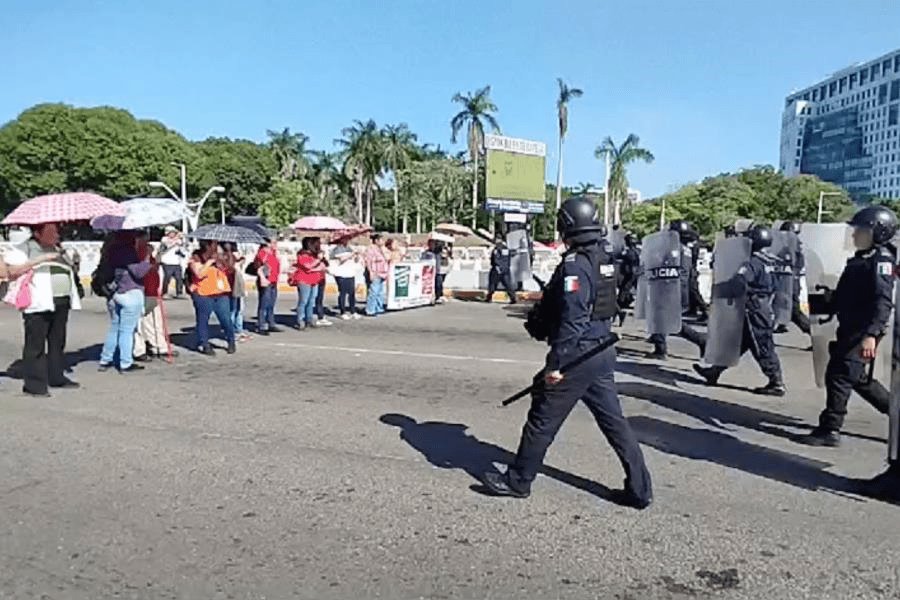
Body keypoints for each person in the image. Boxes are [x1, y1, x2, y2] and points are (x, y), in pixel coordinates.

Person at [482, 196, 653, 510]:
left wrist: (557, 365)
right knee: (614, 423)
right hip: (600, 350)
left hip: (578, 354)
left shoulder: (576, 264)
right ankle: (640, 489)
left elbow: (573, 321)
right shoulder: (603, 256)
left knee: (542, 419)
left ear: (568, 225)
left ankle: (518, 481)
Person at [797, 206, 897, 447]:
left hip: (862, 330)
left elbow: (882, 302)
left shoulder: (880, 261)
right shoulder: (861, 259)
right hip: (851, 328)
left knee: (840, 375)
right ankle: (896, 412)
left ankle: (830, 429)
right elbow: (849, 295)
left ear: (879, 233)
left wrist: (871, 335)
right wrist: (826, 301)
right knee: (858, 378)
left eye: (860, 231)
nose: (854, 236)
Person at [693, 225, 786, 396]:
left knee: (762, 345)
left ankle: (776, 381)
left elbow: (738, 283)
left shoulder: (752, 263)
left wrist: (719, 290)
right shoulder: (771, 261)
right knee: (734, 344)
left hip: (753, 309)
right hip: (764, 306)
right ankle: (714, 372)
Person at [3, 224, 82, 396]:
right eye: (51, 232)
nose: (56, 235)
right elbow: (11, 271)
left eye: (56, 231)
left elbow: (70, 270)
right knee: (35, 344)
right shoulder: (24, 249)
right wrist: (41, 259)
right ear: (38, 233)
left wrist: (71, 260)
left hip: (61, 300)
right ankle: (34, 385)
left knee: (57, 342)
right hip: (37, 301)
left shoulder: (58, 248)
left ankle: (56, 376)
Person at [648, 220, 707, 360]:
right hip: (681, 288)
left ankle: (662, 349)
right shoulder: (685, 249)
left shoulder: (673, 249)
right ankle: (659, 345)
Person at [98, 231, 152, 373]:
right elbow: (138, 272)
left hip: (114, 292)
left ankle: (106, 359)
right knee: (127, 331)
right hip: (130, 291)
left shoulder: (110, 250)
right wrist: (148, 257)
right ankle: (125, 362)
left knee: (114, 328)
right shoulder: (127, 251)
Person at [188, 240, 235, 355]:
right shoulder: (196, 257)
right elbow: (199, 274)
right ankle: (204, 344)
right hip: (203, 294)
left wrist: (227, 254)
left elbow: (230, 270)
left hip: (221, 293)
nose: (215, 247)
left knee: (226, 319)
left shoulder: (220, 257)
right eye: (212, 244)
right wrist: (209, 262)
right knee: (203, 320)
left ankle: (231, 340)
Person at [133, 232, 174, 361]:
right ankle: (139, 350)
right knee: (139, 323)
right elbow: (140, 271)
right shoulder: (136, 254)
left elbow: (153, 268)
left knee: (155, 322)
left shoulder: (148, 253)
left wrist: (157, 257)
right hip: (141, 292)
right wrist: (147, 257)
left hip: (153, 291)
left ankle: (159, 346)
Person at [774, 221, 811, 336]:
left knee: (793, 309)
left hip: (791, 282)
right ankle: (779, 323)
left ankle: (811, 331)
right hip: (786, 281)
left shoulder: (793, 246)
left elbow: (795, 265)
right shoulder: (788, 245)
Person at [290, 237, 327, 330]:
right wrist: (318, 261)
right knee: (303, 301)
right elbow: (307, 266)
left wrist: (318, 263)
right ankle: (300, 320)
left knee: (311, 301)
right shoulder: (302, 254)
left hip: (314, 280)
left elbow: (323, 266)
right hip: (304, 280)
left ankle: (309, 319)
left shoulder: (315, 254)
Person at [221, 243, 250, 342]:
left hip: (238, 285)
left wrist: (240, 261)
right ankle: (231, 331)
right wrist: (236, 263)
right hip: (231, 285)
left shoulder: (233, 256)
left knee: (239, 309)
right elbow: (229, 269)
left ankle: (239, 329)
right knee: (232, 310)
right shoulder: (224, 257)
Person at [253, 237, 281, 335]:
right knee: (264, 304)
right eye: (273, 242)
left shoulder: (273, 253)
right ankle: (261, 325)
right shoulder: (262, 253)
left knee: (271, 304)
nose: (275, 244)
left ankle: (271, 323)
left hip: (273, 280)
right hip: (266, 280)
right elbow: (259, 266)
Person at [330, 236, 361, 320]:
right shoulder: (336, 249)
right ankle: (342, 311)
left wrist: (357, 255)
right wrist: (352, 254)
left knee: (352, 293)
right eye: (345, 239)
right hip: (340, 274)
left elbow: (355, 260)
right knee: (342, 293)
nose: (347, 241)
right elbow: (341, 260)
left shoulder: (349, 248)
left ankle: (352, 311)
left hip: (350, 273)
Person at [485, 236, 517, 304]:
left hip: (497, 270)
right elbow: (512, 254)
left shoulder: (496, 249)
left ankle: (489, 298)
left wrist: (497, 267)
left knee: (492, 285)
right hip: (506, 269)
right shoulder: (506, 248)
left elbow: (495, 259)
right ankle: (513, 298)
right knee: (508, 285)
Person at [158, 226, 186, 299]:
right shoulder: (164, 239)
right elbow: (167, 245)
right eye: (172, 232)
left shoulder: (178, 240)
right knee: (167, 278)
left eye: (174, 232)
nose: (173, 234)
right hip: (167, 262)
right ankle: (165, 293)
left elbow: (182, 244)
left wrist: (182, 238)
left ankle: (179, 292)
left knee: (179, 278)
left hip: (176, 262)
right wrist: (175, 240)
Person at [364, 234, 389, 316]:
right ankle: (370, 309)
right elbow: (368, 261)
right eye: (381, 240)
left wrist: (384, 249)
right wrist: (371, 272)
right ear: (376, 241)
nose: (383, 242)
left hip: (382, 273)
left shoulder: (381, 249)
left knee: (379, 292)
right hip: (375, 272)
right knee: (373, 292)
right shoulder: (370, 249)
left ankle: (378, 307)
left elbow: (387, 258)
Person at [313, 242, 333, 327]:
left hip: (322, 280)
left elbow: (326, 266)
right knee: (312, 298)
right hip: (315, 280)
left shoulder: (323, 260)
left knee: (320, 299)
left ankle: (320, 317)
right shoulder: (313, 259)